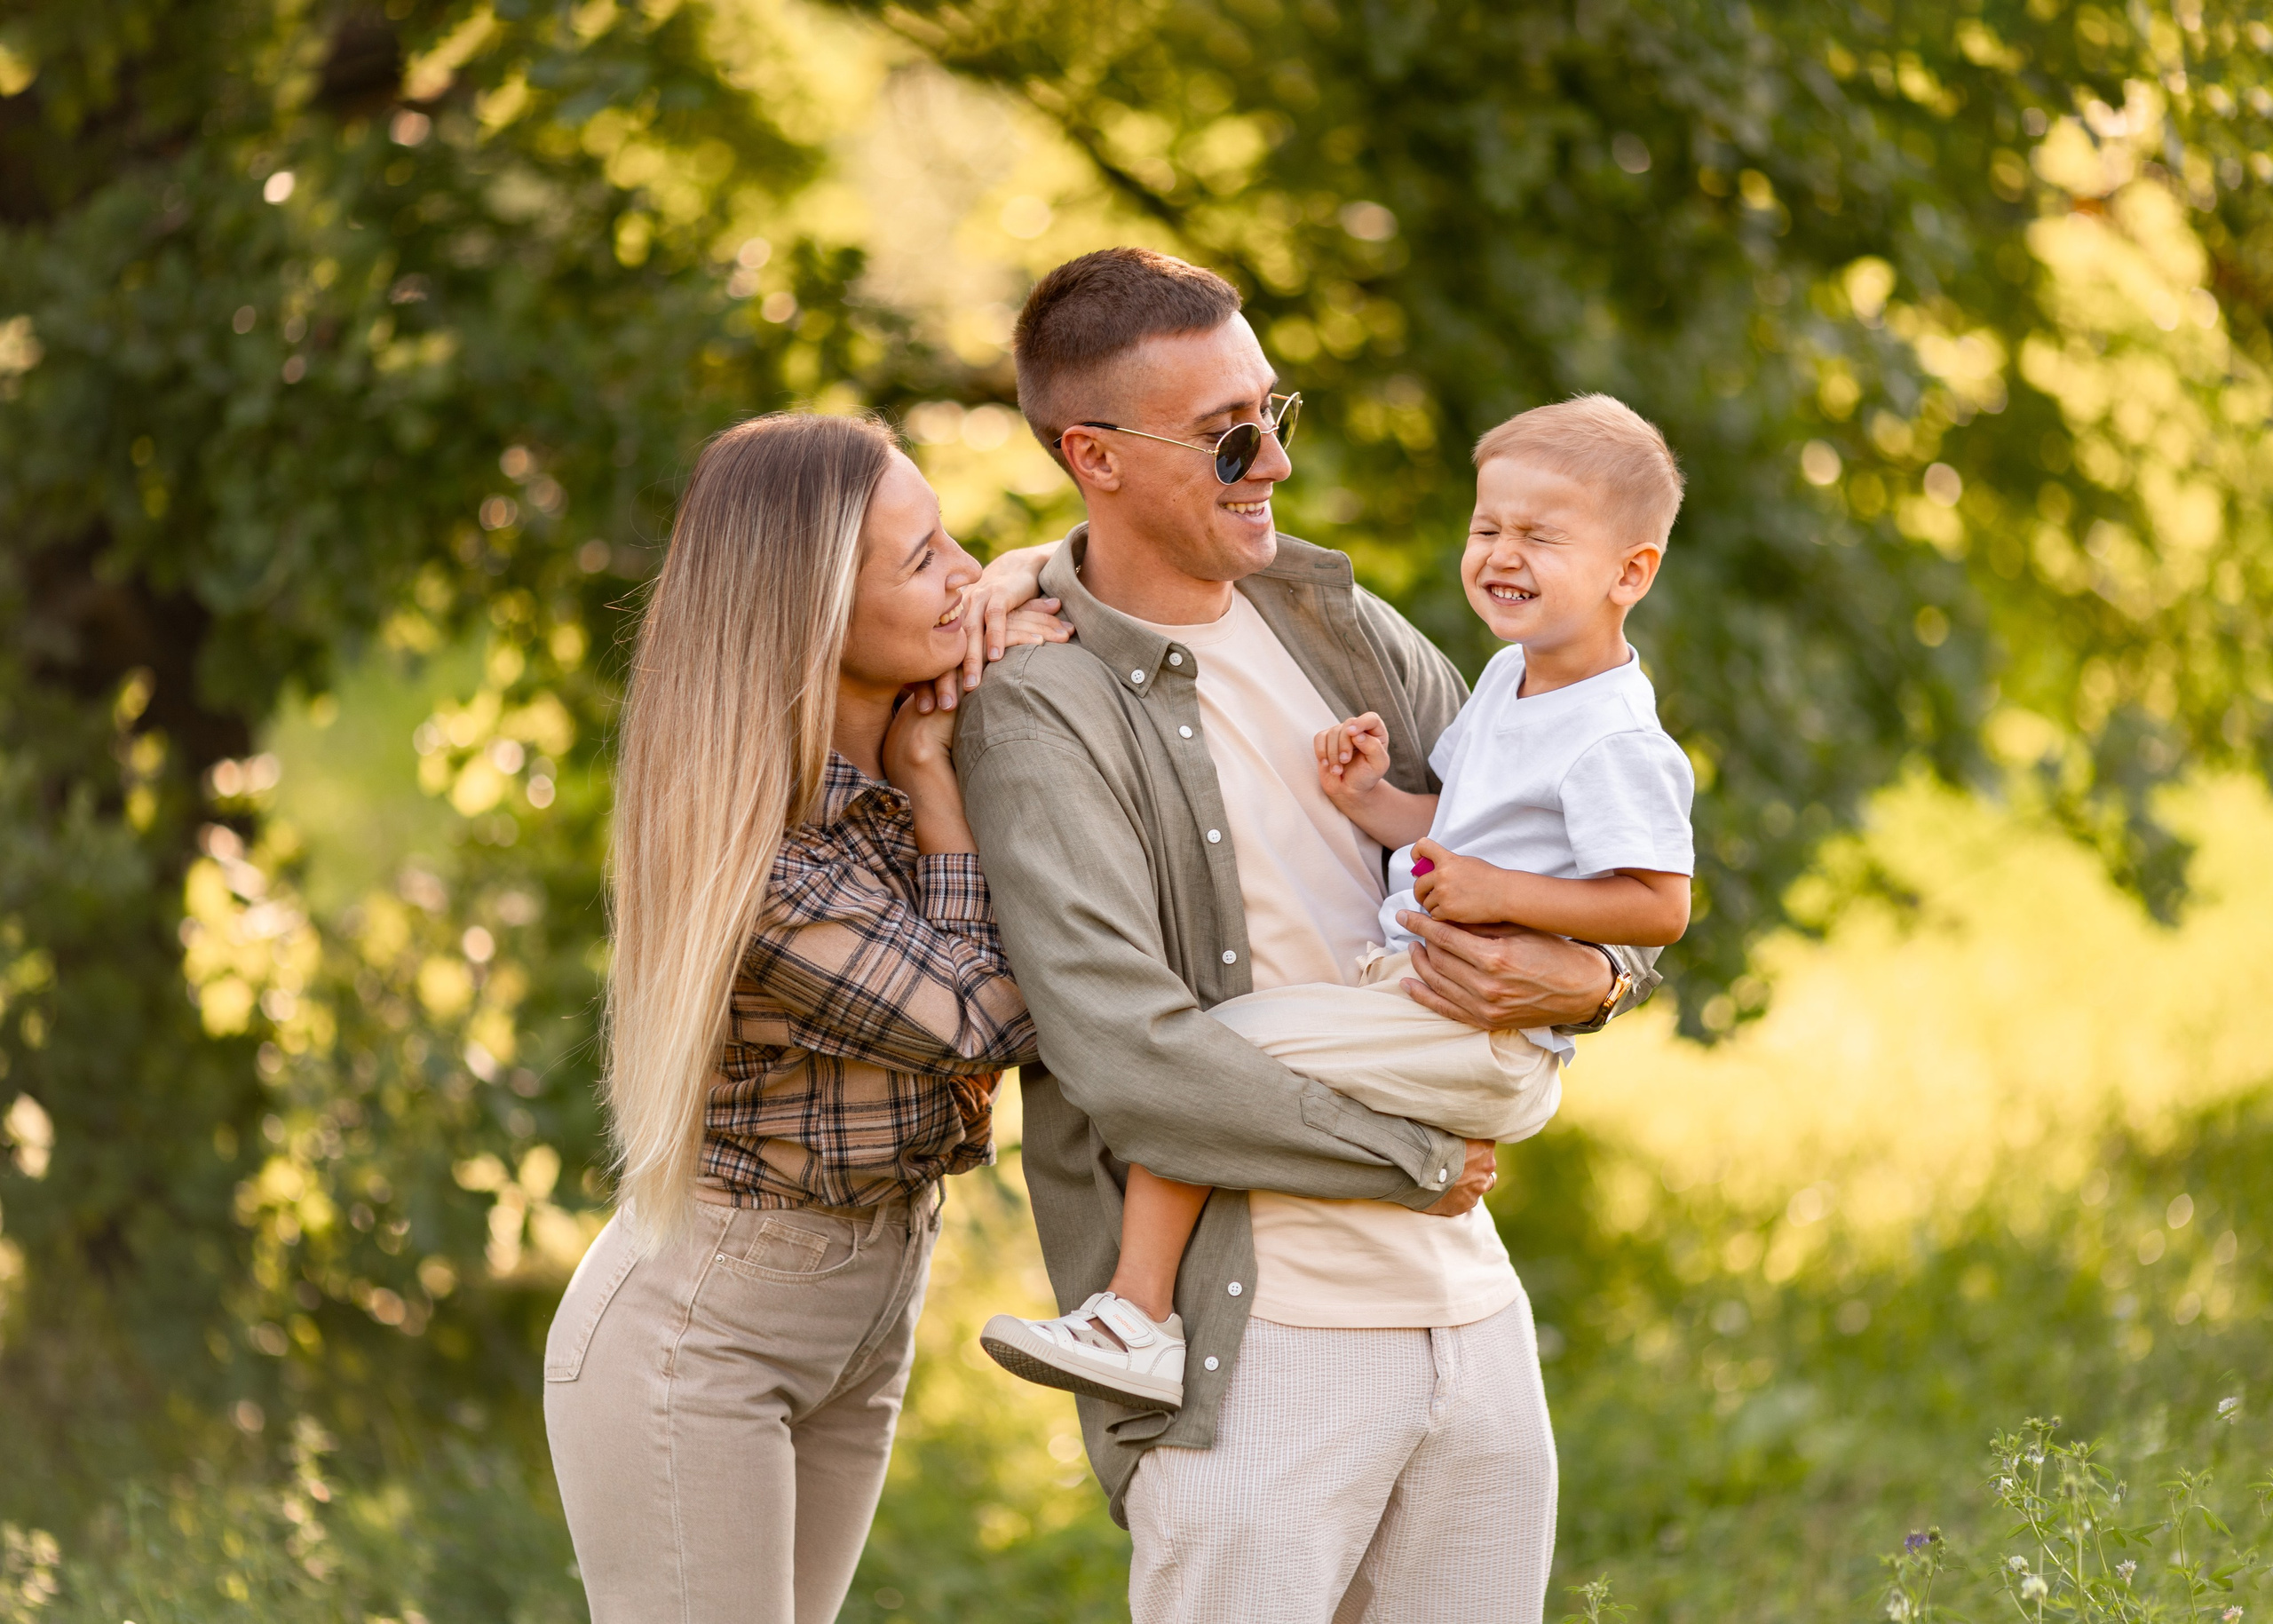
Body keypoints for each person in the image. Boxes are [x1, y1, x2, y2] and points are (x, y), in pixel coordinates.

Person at [949, 247, 1662, 1623]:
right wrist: (1416, 1156)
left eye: (1275, 411)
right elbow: (1128, 1058)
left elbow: (1583, 833)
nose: (1270, 458)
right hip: (1257, 1357)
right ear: (1094, 457)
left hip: (1472, 1322)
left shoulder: (1342, 628)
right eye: (1226, 437)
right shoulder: (1039, 705)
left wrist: (1587, 975)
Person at [981, 392, 1696, 1411]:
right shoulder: (1508, 680)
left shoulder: (1615, 734)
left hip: (1475, 1035)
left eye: (1540, 535)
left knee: (1225, 1047)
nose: (1500, 553)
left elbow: (1658, 905)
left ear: (1631, 571)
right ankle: (1139, 1312)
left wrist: (1519, 915)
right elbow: (1449, 824)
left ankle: (1136, 1316)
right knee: (1211, 1053)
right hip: (1412, 997)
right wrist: (1373, 801)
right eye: (1486, 527)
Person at [542, 411, 1062, 1624]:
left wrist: (1029, 586)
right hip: (701, 1342)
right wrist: (937, 780)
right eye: (925, 557)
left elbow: (1081, 580)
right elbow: (988, 1014)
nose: (969, 574)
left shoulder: (896, 748)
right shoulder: (759, 857)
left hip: (867, 1307)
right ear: (818, 613)